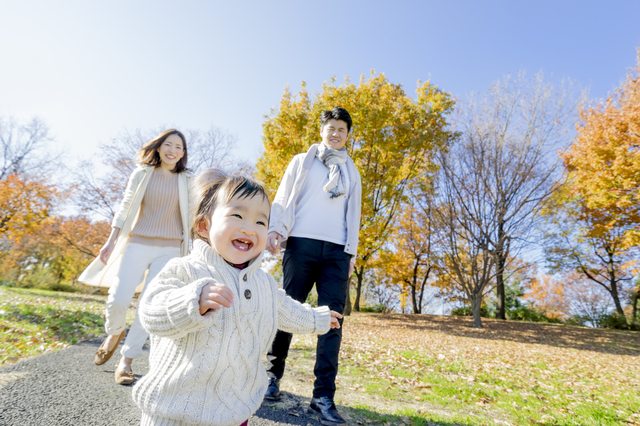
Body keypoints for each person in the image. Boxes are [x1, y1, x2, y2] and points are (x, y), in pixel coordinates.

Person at [131, 170, 342, 426]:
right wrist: (192, 300)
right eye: (237, 215)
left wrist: (317, 318)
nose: (249, 228)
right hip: (174, 410)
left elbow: (285, 309)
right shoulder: (185, 269)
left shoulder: (262, 283)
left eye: (261, 222)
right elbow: (151, 311)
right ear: (204, 226)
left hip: (234, 410)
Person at [264, 107, 362, 425]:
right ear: (322, 130)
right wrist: (276, 230)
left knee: (332, 322)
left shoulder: (352, 171)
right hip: (301, 244)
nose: (335, 133)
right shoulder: (302, 161)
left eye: (342, 130)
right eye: (331, 128)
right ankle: (270, 376)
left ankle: (322, 397)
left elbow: (355, 215)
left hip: (337, 252)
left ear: (348, 135)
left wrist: (352, 254)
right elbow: (283, 197)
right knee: (286, 311)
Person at [78, 129, 193, 385]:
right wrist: (110, 242)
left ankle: (126, 361)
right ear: (159, 147)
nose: (172, 150)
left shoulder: (188, 180)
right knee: (118, 298)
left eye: (178, 147)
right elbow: (125, 207)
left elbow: (196, 215)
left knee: (147, 305)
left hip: (171, 250)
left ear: (183, 153)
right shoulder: (142, 173)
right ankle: (115, 332)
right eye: (168, 144)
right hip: (137, 243)